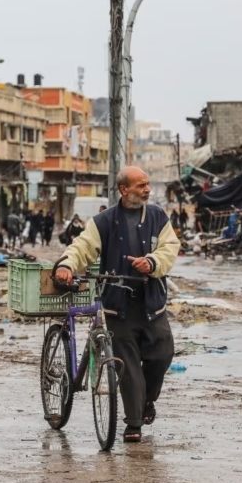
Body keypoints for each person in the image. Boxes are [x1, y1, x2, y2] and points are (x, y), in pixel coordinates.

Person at [54, 166, 181, 443]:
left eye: (148, 184)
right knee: (127, 364)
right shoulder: (104, 221)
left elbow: (170, 248)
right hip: (117, 305)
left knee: (162, 353)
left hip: (151, 302)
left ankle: (147, 402)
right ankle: (133, 423)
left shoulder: (158, 216)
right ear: (124, 190)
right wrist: (66, 265)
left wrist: (152, 263)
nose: (147, 190)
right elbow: (81, 247)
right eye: (140, 186)